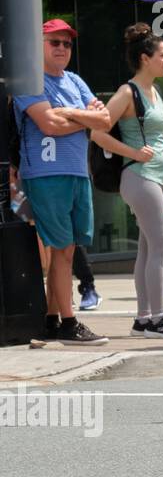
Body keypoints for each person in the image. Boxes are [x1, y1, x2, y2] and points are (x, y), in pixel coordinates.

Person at [14, 19, 111, 345]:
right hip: (45, 174)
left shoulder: (75, 81)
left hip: (77, 173)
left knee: (65, 251)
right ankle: (70, 324)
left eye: (66, 44)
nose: (61, 48)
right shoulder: (30, 81)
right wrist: (82, 117)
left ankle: (52, 320)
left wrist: (67, 113)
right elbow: (49, 124)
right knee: (62, 250)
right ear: (39, 44)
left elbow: (105, 120)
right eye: (54, 42)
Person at [90, 24, 163, 339]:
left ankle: (144, 318)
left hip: (159, 176)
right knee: (161, 245)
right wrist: (132, 151)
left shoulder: (154, 91)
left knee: (148, 248)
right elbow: (97, 132)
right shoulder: (126, 92)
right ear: (145, 58)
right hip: (138, 175)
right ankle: (157, 319)